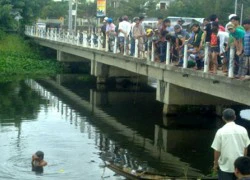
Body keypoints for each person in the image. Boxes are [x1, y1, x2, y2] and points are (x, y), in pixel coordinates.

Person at [211, 108, 250, 180]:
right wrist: (242, 161)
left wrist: (215, 164)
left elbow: (217, 150)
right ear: (235, 117)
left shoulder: (220, 132)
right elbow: (245, 147)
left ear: (223, 118)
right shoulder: (243, 130)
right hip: (239, 168)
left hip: (225, 167)